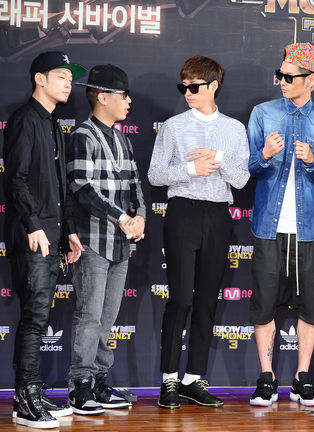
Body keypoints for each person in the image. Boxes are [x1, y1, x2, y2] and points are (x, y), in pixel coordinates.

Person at [148, 56, 250, 409]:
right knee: (180, 299)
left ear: (213, 86)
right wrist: (191, 169)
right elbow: (155, 175)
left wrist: (218, 158)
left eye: (194, 86)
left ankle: (193, 379)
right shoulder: (173, 127)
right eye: (184, 86)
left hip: (219, 215)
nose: (188, 92)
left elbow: (242, 179)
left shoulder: (234, 129)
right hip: (182, 213)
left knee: (207, 300)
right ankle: (168, 379)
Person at [247, 43, 314, 407]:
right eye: (280, 75)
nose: (282, 82)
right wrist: (265, 155)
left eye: (290, 77)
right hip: (268, 227)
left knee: (312, 307)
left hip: (311, 229)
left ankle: (303, 378)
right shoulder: (262, 113)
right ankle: (266, 377)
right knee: (263, 305)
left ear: (311, 79)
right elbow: (248, 169)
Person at [4, 51, 86, 429]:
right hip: (33, 236)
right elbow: (15, 179)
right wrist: (33, 225)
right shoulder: (24, 119)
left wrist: (68, 232)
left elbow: (58, 188)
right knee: (35, 319)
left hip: (52, 235)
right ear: (40, 79)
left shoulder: (52, 123)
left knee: (40, 317)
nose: (68, 83)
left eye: (70, 78)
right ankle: (26, 398)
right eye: (61, 76)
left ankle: (32, 392)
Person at [66, 64, 146, 415]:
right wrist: (123, 217)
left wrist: (140, 217)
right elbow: (82, 188)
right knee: (90, 317)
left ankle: (99, 382)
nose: (128, 101)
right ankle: (79, 386)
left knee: (107, 318)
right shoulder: (83, 135)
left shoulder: (123, 139)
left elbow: (135, 185)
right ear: (102, 97)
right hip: (93, 241)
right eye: (123, 95)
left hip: (120, 244)